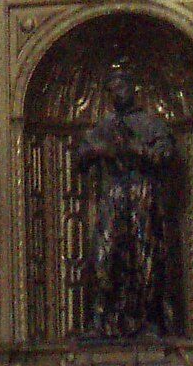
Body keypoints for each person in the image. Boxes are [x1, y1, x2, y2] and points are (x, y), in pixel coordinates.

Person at [75, 61, 179, 337]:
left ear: (133, 88)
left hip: (142, 195)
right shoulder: (105, 125)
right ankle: (100, 319)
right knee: (103, 256)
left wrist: (137, 150)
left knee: (146, 257)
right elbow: (81, 156)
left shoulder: (151, 123)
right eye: (111, 89)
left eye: (121, 87)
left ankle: (149, 319)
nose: (116, 93)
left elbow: (165, 155)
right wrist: (99, 150)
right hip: (112, 195)